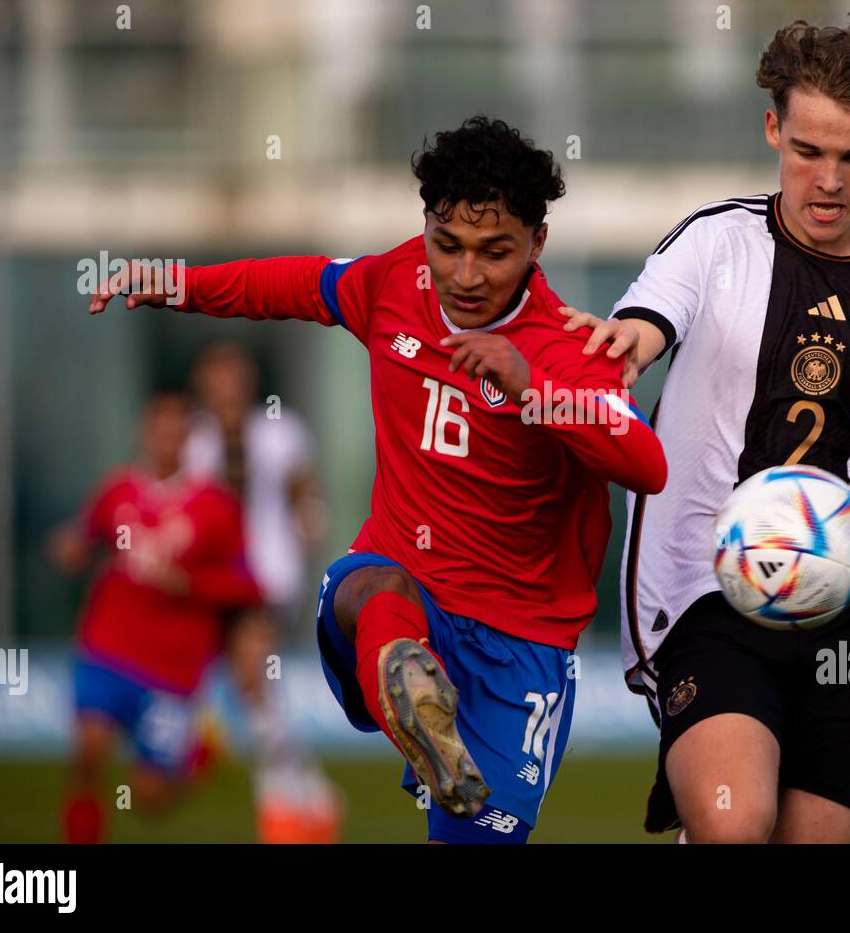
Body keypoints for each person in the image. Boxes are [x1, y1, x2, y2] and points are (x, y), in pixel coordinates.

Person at [87, 116, 667, 843]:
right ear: (425, 226)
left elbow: (647, 465)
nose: (465, 274)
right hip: (403, 583)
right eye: (447, 244)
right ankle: (408, 676)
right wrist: (177, 283)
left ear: (537, 243)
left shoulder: (569, 350)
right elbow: (298, 284)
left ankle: (430, 710)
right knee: (370, 587)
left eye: (495, 253)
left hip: (521, 642)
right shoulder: (396, 282)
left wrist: (531, 388)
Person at [561, 19, 850, 843]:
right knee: (737, 827)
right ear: (773, 129)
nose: (829, 180)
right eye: (808, 150)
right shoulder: (716, 241)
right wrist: (629, 344)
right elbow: (651, 318)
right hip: (712, 583)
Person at [50, 391, 261, 843]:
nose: (167, 437)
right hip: (107, 645)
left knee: (150, 799)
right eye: (158, 427)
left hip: (173, 667)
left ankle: (197, 753)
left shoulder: (216, 505)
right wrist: (70, 547)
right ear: (143, 432)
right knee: (88, 750)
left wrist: (190, 584)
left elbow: (249, 584)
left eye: (176, 428)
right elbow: (85, 534)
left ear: (187, 436)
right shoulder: (117, 490)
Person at [184, 342, 341, 843]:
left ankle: (276, 802)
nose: (225, 388)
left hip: (270, 574)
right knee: (253, 690)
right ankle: (312, 792)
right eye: (216, 379)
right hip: (215, 579)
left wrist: (311, 520)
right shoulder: (195, 442)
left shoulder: (280, 431)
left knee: (252, 675)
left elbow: (303, 490)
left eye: (233, 377)